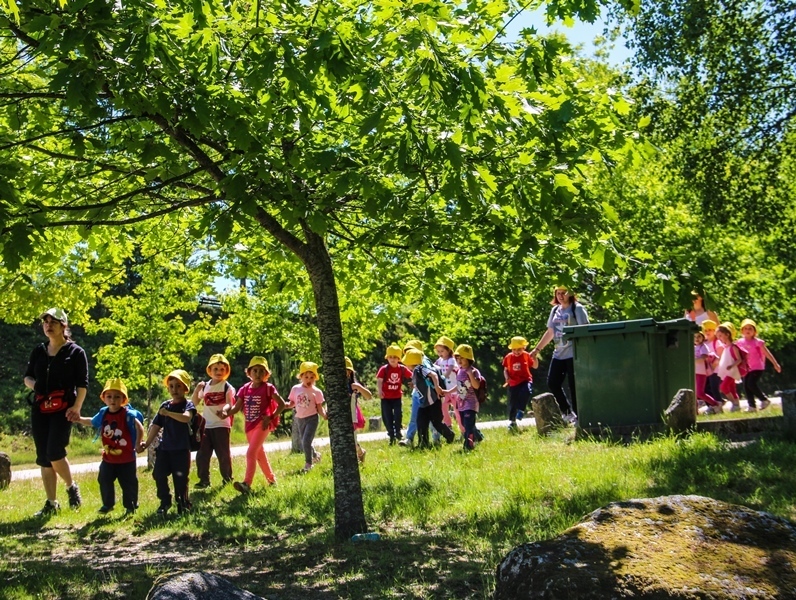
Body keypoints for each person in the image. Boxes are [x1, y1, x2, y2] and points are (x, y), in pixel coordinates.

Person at [23, 308, 88, 516]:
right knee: (44, 456)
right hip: (40, 408)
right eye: (46, 322)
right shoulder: (39, 351)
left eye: (53, 322)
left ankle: (71, 487)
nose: (48, 325)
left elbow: (82, 384)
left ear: (63, 326)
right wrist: (35, 386)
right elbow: (27, 377)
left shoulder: (76, 352)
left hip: (63, 409)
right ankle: (51, 503)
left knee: (54, 451)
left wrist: (76, 407)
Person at [76, 378, 144, 514]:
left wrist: (138, 443)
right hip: (108, 458)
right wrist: (79, 419)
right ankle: (108, 504)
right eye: (109, 396)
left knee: (128, 483)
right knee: (104, 479)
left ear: (123, 399)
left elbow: (139, 427)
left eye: (117, 396)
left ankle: (130, 506)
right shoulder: (103, 413)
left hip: (127, 459)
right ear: (104, 398)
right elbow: (92, 422)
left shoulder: (127, 414)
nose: (113, 399)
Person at [139, 369, 195, 515]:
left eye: (178, 386)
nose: (174, 389)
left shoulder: (188, 405)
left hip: (181, 449)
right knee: (158, 474)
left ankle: (183, 504)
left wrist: (169, 414)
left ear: (185, 388)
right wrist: (146, 443)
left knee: (180, 479)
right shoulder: (165, 405)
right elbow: (156, 426)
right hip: (164, 449)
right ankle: (165, 502)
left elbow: (186, 418)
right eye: (171, 386)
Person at [226, 356, 285, 493]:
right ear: (249, 373)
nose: (258, 374)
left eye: (261, 371)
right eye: (255, 370)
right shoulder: (245, 389)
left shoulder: (268, 388)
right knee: (259, 454)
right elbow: (236, 407)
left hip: (262, 424)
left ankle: (247, 484)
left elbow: (281, 404)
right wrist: (225, 414)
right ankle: (272, 481)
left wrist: (271, 417)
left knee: (251, 452)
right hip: (249, 426)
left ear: (266, 374)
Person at [530, 286, 589, 422]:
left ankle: (580, 418)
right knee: (553, 382)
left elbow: (585, 330)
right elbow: (550, 332)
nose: (561, 296)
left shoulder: (577, 309)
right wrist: (537, 350)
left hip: (574, 353)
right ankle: (567, 412)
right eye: (558, 293)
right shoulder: (555, 310)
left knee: (574, 386)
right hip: (559, 353)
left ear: (570, 294)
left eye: (564, 293)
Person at [192, 354, 236, 489]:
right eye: (215, 369)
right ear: (209, 370)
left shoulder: (227, 387)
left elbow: (229, 403)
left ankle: (227, 478)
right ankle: (204, 480)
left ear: (226, 371)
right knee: (202, 454)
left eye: (222, 369)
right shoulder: (205, 386)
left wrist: (224, 411)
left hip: (221, 425)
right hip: (206, 426)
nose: (219, 372)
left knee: (223, 454)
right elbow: (194, 402)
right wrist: (197, 389)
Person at [402, 348, 455, 448]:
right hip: (425, 402)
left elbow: (433, 375)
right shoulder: (416, 371)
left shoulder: (419, 369)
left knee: (436, 422)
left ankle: (449, 435)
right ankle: (423, 443)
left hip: (433, 402)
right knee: (421, 422)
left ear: (411, 362)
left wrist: (437, 386)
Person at [287, 362, 327, 473]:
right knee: (305, 441)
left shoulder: (316, 392)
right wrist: (286, 405)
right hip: (300, 419)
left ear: (315, 378)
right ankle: (315, 455)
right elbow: (292, 403)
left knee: (306, 440)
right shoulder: (295, 389)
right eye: (306, 377)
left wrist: (324, 415)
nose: (309, 380)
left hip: (312, 419)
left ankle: (308, 463)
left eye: (312, 377)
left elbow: (319, 407)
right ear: (301, 377)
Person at [736, 319, 781, 412]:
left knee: (751, 384)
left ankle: (764, 399)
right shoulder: (739, 342)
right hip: (746, 368)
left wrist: (775, 364)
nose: (748, 330)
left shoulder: (757, 342)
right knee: (746, 386)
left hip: (757, 367)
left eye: (750, 328)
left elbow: (767, 353)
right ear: (742, 330)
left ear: (754, 331)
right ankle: (751, 406)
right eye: (745, 328)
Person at [376, 345, 412, 445]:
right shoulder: (384, 369)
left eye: (395, 357)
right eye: (390, 357)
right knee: (387, 417)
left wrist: (414, 383)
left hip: (397, 397)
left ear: (399, 359)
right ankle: (391, 434)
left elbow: (412, 376)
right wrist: (380, 391)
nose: (392, 359)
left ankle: (398, 431)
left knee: (398, 415)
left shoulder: (402, 369)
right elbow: (379, 380)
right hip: (386, 397)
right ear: (387, 358)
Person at [502, 336, 538, 431]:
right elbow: (505, 370)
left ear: (524, 348)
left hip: (525, 380)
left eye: (519, 349)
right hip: (513, 382)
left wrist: (535, 358)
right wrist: (507, 377)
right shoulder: (508, 357)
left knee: (526, 391)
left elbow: (535, 366)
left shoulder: (526, 355)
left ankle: (521, 410)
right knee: (513, 402)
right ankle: (512, 422)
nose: (516, 352)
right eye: (514, 349)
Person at [434, 336, 464, 439]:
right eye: (438, 351)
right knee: (443, 409)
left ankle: (463, 431)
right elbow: (434, 366)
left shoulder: (452, 360)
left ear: (449, 350)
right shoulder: (439, 360)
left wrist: (445, 376)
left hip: (455, 391)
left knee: (458, 412)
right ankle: (448, 426)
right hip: (445, 390)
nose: (440, 353)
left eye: (442, 351)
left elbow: (451, 368)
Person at [453, 344, 481, 451]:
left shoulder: (473, 371)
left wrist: (470, 375)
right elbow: (459, 386)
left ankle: (468, 444)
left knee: (468, 424)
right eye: (457, 358)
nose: (459, 360)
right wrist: (448, 391)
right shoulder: (459, 370)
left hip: (471, 403)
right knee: (465, 424)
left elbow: (476, 386)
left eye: (462, 358)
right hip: (461, 403)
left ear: (468, 358)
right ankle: (478, 437)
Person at [347, 357, 373, 464]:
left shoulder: (353, 385)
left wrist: (359, 387)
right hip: (340, 417)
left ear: (350, 373)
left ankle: (359, 455)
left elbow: (369, 396)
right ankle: (360, 452)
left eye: (346, 371)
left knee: (352, 440)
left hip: (352, 415)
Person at [715, 323, 742, 412]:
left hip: (732, 371)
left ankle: (734, 403)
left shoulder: (733, 347)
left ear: (727, 334)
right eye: (718, 336)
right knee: (732, 389)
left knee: (723, 387)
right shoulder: (726, 347)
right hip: (728, 371)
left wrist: (732, 366)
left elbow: (739, 359)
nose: (719, 338)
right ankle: (737, 405)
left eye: (720, 336)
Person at [693, 332, 721, 414]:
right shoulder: (693, 347)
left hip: (701, 372)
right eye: (694, 337)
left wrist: (692, 360)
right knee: (694, 393)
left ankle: (716, 404)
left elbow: (704, 357)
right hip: (693, 372)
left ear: (703, 338)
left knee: (700, 393)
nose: (697, 338)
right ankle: (695, 411)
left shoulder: (703, 347)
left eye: (699, 336)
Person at [701, 320, 724, 410]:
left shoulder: (717, 342)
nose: (708, 332)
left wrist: (713, 366)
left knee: (714, 388)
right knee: (705, 389)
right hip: (706, 370)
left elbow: (720, 357)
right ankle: (711, 405)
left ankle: (719, 405)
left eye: (710, 330)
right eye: (705, 330)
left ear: (714, 331)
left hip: (716, 370)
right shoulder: (704, 343)